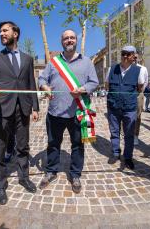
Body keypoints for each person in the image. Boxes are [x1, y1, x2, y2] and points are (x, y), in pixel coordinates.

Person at [38, 29, 98, 193]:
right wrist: (44, 86)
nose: (69, 40)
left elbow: (94, 82)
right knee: (53, 144)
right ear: (61, 41)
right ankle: (51, 171)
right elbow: (42, 78)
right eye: (66, 38)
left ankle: (75, 174)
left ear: (76, 40)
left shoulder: (87, 62)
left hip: (77, 112)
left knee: (78, 145)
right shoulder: (53, 62)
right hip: (55, 112)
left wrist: (83, 89)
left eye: (72, 38)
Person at [0, 21, 39, 205]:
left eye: (5, 30)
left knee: (23, 146)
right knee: (0, 147)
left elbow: (31, 84)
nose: (2, 33)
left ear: (15, 34)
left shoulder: (27, 59)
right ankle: (0, 185)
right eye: (0, 31)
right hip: (3, 108)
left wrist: (35, 107)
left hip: (23, 108)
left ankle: (24, 177)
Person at [105, 45, 145, 168]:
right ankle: (116, 153)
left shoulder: (140, 70)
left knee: (129, 134)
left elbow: (140, 88)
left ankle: (128, 157)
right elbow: (107, 85)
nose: (125, 56)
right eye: (123, 53)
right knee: (114, 132)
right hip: (113, 107)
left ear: (134, 56)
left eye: (128, 54)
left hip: (129, 108)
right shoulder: (112, 69)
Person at [133, 53, 148, 145]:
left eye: (135, 57)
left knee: (137, 116)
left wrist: (140, 91)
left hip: (138, 94)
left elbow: (145, 81)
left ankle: (135, 136)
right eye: (132, 56)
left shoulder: (143, 68)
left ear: (138, 58)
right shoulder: (125, 68)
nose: (134, 59)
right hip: (127, 94)